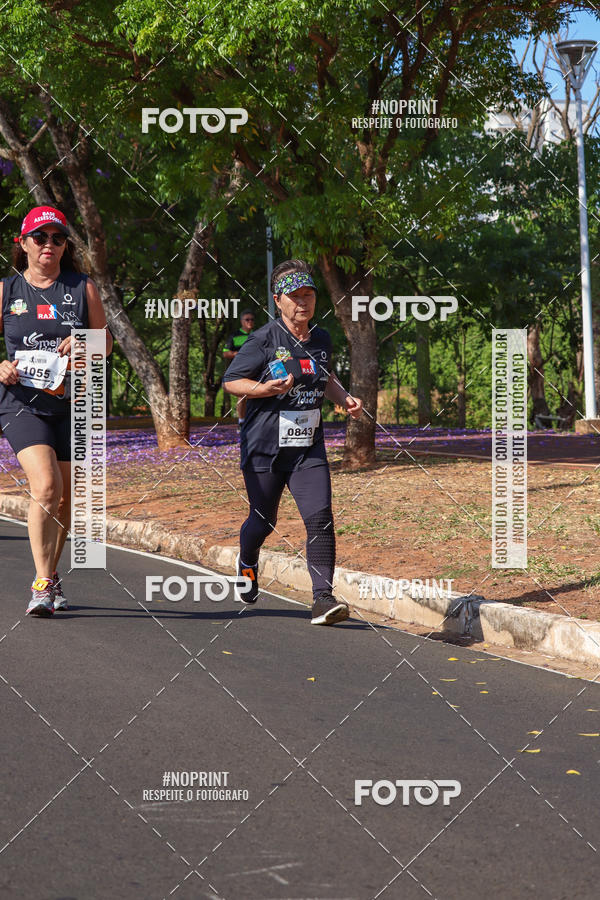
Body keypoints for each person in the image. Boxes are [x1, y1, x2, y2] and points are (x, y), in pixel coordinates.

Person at [223, 259, 362, 625]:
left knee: (320, 518)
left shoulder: (322, 338)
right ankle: (248, 561)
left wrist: (344, 398)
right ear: (278, 301)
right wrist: (263, 388)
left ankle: (322, 598)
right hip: (265, 448)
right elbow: (231, 381)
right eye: (294, 296)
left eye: (309, 295)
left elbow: (325, 376)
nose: (303, 302)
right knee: (262, 521)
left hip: (307, 448)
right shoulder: (263, 339)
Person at [0, 206, 113, 616]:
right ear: (23, 243)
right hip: (21, 403)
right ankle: (42, 582)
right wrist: (1, 365)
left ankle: (52, 573)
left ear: (65, 245)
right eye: (40, 237)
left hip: (74, 402)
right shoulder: (6, 291)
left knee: (65, 499)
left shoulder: (82, 287)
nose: (49, 245)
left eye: (58, 238)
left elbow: (106, 343)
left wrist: (85, 344)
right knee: (46, 486)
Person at [223, 309, 255, 424]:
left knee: (255, 394)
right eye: (247, 319)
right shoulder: (234, 336)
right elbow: (226, 352)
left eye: (252, 319)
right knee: (242, 396)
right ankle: (241, 421)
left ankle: (252, 421)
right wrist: (238, 354)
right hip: (240, 370)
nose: (250, 322)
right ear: (242, 321)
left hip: (256, 370)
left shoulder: (257, 334)